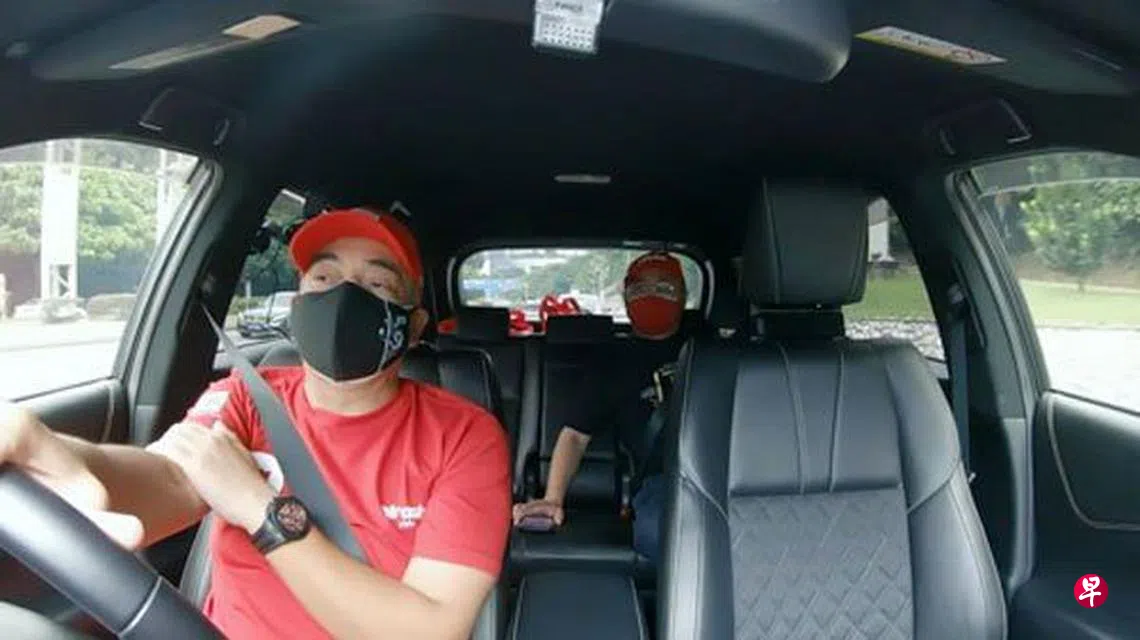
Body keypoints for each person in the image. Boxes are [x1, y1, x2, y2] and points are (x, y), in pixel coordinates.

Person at [0, 208, 511, 639]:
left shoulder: (465, 435)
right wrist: (60, 455)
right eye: (324, 278)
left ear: (414, 326)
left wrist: (259, 509)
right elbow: (171, 476)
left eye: (377, 283)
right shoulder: (246, 397)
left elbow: (427, 631)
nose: (343, 298)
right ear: (299, 302)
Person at [511, 251, 685, 564]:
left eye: (664, 287)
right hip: (665, 482)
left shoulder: (714, 350)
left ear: (683, 293)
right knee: (662, 534)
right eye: (640, 287)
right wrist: (552, 498)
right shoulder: (612, 362)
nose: (652, 294)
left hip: (729, 473)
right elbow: (575, 435)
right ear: (626, 296)